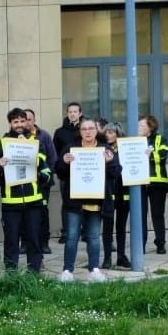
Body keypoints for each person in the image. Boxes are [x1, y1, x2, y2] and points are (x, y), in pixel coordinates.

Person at [0, 108, 54, 274]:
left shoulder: (35, 143)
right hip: (11, 203)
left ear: (27, 122)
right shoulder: (1, 145)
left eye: (22, 121)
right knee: (11, 241)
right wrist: (0, 168)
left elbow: (47, 171)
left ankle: (34, 274)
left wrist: (39, 175)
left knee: (34, 239)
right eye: (15, 121)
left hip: (34, 201)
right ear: (10, 123)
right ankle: (11, 275)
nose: (19, 125)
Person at [55, 119, 117, 282]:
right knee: (72, 237)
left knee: (94, 237)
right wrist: (64, 162)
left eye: (91, 128)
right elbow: (60, 172)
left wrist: (110, 162)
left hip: (96, 201)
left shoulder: (105, 148)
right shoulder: (71, 148)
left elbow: (116, 172)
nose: (87, 132)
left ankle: (94, 269)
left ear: (96, 131)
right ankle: (67, 270)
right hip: (74, 202)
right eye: (84, 129)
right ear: (80, 132)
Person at [25, 109, 57, 255]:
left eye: (29, 119)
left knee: (42, 212)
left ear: (34, 119)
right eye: (24, 119)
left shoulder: (44, 136)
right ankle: (25, 243)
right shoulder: (15, 138)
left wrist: (44, 174)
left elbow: (52, 158)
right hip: (24, 183)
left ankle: (44, 243)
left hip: (42, 183)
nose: (27, 122)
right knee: (24, 214)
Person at [138, 115, 168, 254]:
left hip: (157, 183)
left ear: (150, 128)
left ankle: (160, 243)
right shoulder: (135, 140)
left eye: (142, 126)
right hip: (139, 182)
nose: (138, 128)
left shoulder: (160, 139)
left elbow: (163, 155)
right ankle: (141, 245)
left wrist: (149, 154)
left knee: (157, 214)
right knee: (140, 215)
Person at [53, 103, 83, 245]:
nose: (72, 114)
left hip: (83, 172)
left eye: (75, 111)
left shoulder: (86, 130)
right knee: (66, 203)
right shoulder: (60, 132)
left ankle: (84, 232)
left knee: (85, 202)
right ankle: (66, 232)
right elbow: (55, 154)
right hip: (66, 174)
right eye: (70, 111)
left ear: (80, 113)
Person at [101, 122, 130, 269]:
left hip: (124, 193)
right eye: (106, 132)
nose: (108, 135)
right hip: (108, 193)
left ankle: (121, 256)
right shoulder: (101, 149)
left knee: (121, 227)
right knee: (107, 227)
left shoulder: (126, 149)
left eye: (111, 132)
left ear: (118, 134)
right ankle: (107, 257)